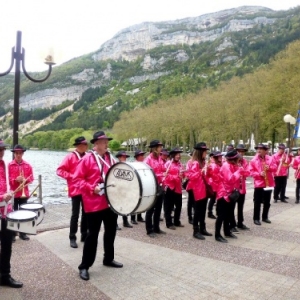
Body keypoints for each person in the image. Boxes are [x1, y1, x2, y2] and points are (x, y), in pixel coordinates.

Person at [75, 131, 123, 281]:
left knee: (110, 232)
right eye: (103, 141)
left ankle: (108, 259)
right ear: (96, 144)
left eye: (106, 141)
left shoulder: (111, 159)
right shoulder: (87, 159)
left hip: (109, 202)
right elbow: (77, 179)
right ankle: (84, 266)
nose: (106, 143)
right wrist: (91, 187)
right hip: (94, 203)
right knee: (92, 236)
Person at [56, 136, 89, 248]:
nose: (86, 146)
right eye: (85, 144)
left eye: (86, 144)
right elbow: (59, 170)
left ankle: (84, 235)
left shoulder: (88, 156)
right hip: (75, 188)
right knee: (75, 214)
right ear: (79, 145)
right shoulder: (70, 157)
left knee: (86, 213)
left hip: (86, 189)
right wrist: (71, 176)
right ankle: (72, 237)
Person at [0, 139, 23, 288]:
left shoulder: (4, 165)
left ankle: (5, 276)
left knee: (7, 244)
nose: (2, 152)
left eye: (2, 149)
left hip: (6, 211)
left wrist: (15, 184)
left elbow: (9, 184)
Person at [215, 150, 244, 243]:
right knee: (221, 216)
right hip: (223, 194)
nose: (239, 159)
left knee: (227, 214)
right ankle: (217, 235)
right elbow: (230, 179)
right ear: (233, 159)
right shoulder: (226, 166)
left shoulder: (233, 166)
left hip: (230, 193)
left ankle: (227, 232)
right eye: (237, 158)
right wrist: (239, 171)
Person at [186, 142, 212, 240]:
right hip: (197, 189)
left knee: (202, 209)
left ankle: (202, 228)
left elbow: (206, 176)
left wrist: (208, 170)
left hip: (203, 188)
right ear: (200, 152)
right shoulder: (195, 163)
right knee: (197, 210)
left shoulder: (203, 162)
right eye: (205, 151)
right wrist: (200, 172)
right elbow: (191, 176)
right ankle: (196, 230)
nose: (206, 153)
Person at [8, 144, 34, 241]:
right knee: (13, 213)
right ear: (14, 154)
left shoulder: (27, 165)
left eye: (20, 153)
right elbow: (7, 179)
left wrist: (25, 180)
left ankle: (23, 233)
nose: (18, 155)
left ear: (23, 154)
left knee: (23, 213)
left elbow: (31, 178)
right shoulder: (9, 165)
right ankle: (13, 234)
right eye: (16, 153)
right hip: (14, 193)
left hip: (24, 194)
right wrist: (15, 179)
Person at [249, 144, 276, 225]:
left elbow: (275, 167)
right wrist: (259, 173)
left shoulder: (270, 159)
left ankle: (265, 217)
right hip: (259, 184)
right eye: (258, 149)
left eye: (261, 149)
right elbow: (251, 172)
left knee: (267, 201)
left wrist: (270, 168)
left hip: (269, 183)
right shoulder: (253, 160)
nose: (259, 150)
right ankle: (256, 218)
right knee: (257, 202)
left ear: (265, 150)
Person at [144, 140, 166, 237]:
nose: (161, 148)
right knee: (150, 209)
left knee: (158, 209)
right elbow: (147, 174)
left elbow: (162, 169)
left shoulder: (160, 158)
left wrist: (165, 173)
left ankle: (156, 228)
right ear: (154, 148)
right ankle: (149, 230)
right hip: (152, 187)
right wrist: (161, 174)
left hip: (160, 186)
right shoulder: (148, 160)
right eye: (159, 147)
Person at [164, 147, 184, 230]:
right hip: (170, 187)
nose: (178, 156)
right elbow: (165, 175)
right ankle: (169, 223)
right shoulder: (168, 164)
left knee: (179, 205)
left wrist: (183, 175)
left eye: (179, 154)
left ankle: (176, 221)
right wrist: (176, 177)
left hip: (178, 188)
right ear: (173, 155)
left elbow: (182, 175)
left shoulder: (180, 164)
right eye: (177, 154)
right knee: (168, 207)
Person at [234, 144, 250, 231]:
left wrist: (241, 171)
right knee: (231, 207)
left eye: (242, 152)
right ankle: (231, 224)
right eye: (239, 151)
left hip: (242, 187)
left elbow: (248, 173)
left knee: (241, 206)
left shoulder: (245, 162)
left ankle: (240, 222)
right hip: (234, 188)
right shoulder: (233, 161)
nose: (241, 153)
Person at [115, 150, 133, 228]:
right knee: (116, 206)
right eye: (123, 157)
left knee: (125, 205)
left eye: (125, 157)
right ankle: (115, 224)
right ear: (119, 157)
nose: (124, 158)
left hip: (125, 188)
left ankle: (125, 222)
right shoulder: (115, 166)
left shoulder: (127, 165)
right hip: (117, 189)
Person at [207, 151, 223, 219]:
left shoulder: (219, 164)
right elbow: (214, 176)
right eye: (219, 156)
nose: (221, 157)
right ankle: (210, 212)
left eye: (221, 156)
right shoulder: (214, 165)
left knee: (216, 199)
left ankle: (216, 211)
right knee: (213, 199)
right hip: (214, 185)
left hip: (217, 184)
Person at [131, 149, 146, 224]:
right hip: (135, 186)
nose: (143, 157)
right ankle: (133, 218)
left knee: (141, 201)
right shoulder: (133, 164)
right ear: (137, 156)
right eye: (141, 155)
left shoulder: (144, 164)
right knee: (134, 202)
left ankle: (139, 216)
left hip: (142, 185)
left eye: (143, 155)